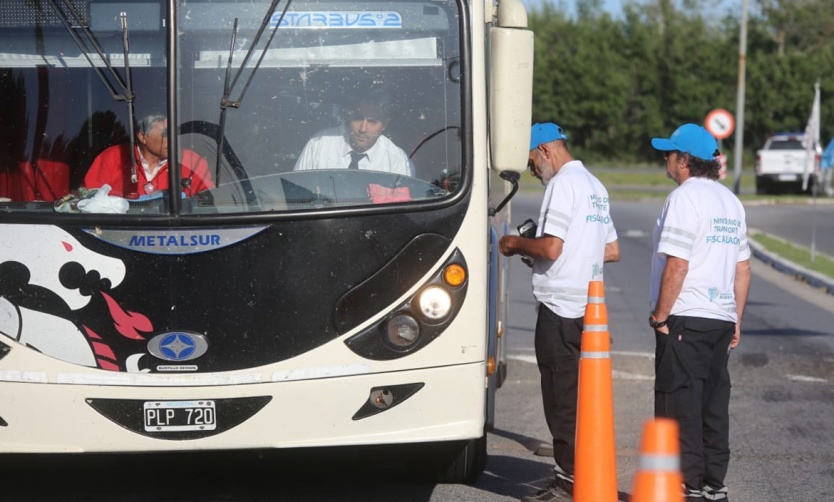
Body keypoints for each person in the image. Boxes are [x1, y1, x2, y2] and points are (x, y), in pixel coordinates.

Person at [498, 123, 620, 502]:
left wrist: (515, 243)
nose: (534, 172)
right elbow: (611, 249)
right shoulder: (595, 186)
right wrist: (571, 260)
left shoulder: (562, 185)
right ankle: (583, 470)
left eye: (533, 163)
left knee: (561, 397)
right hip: (590, 307)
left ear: (546, 150)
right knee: (585, 396)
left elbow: (550, 247)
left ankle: (567, 481)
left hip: (560, 307)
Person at [649, 123, 751, 502]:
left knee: (681, 403)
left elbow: (678, 265)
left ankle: (688, 485)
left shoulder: (684, 198)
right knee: (712, 404)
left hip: (685, 315)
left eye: (669, 153)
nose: (666, 159)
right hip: (721, 316)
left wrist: (660, 315)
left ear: (685, 161)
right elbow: (743, 269)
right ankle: (713, 484)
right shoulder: (731, 202)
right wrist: (736, 319)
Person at [84, 114, 213, 197]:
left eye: (175, 133)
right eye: (166, 134)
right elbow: (87, 201)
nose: (173, 139)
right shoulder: (113, 157)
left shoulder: (193, 162)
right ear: (143, 137)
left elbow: (208, 204)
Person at [293, 86, 413, 176]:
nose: (363, 129)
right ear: (348, 117)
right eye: (358, 119)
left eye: (372, 122)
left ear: (385, 124)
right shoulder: (320, 144)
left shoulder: (397, 160)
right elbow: (296, 190)